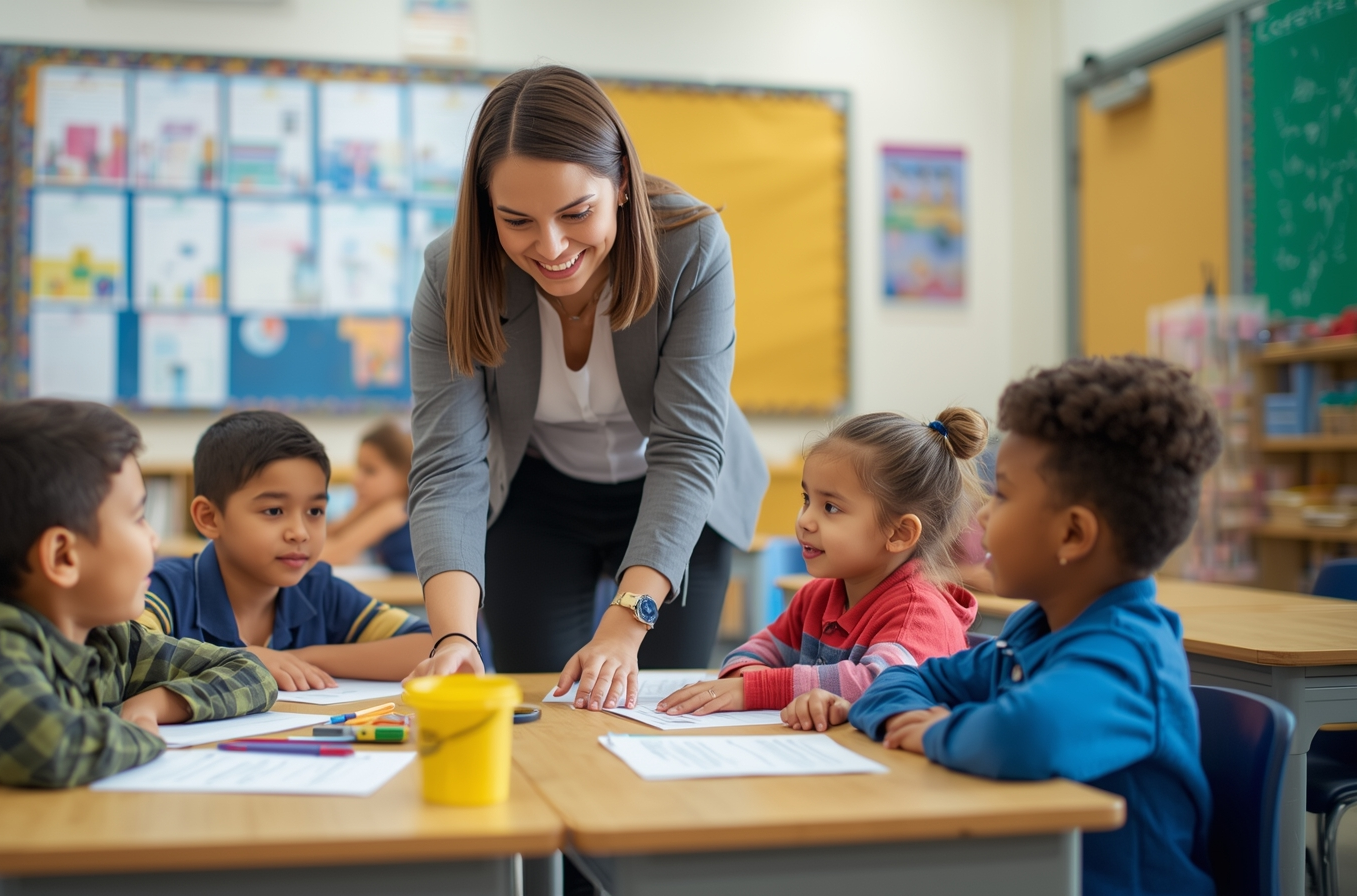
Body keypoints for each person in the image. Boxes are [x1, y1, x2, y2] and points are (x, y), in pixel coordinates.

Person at [405, 65, 767, 709]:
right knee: (543, 707)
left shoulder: (691, 244)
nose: (551, 247)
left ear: (622, 183)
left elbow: (687, 450)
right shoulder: (452, 270)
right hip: (539, 494)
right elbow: (448, 466)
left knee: (655, 708)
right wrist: (452, 636)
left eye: (577, 213)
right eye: (515, 220)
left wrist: (625, 629)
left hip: (679, 494)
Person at [0, 399, 278, 896]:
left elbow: (249, 670)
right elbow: (48, 747)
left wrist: (157, 705)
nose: (155, 538)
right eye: (138, 518)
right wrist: (140, 735)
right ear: (63, 556)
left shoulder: (108, 634)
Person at [849, 355, 1221, 896]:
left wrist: (935, 733)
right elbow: (900, 680)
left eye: (1003, 493)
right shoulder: (1032, 632)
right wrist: (907, 715)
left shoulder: (1129, 655)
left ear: (1073, 534)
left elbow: (1024, 736)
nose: (980, 516)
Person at [656, 408, 983, 727]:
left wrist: (757, 689)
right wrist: (746, 676)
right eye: (806, 500)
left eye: (831, 507)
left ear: (899, 533)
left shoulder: (920, 613)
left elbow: (878, 684)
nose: (804, 520)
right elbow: (755, 650)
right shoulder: (817, 597)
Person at [140, 411, 432, 688]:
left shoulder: (319, 591)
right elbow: (127, 649)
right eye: (274, 510)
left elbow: (431, 646)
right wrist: (244, 660)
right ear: (210, 517)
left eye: (315, 511)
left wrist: (299, 659)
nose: (300, 533)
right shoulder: (168, 590)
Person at [322, 418, 415, 572]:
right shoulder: (375, 507)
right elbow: (325, 537)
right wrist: (355, 514)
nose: (357, 480)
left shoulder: (396, 510)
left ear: (404, 475)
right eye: (358, 468)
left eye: (370, 470)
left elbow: (334, 555)